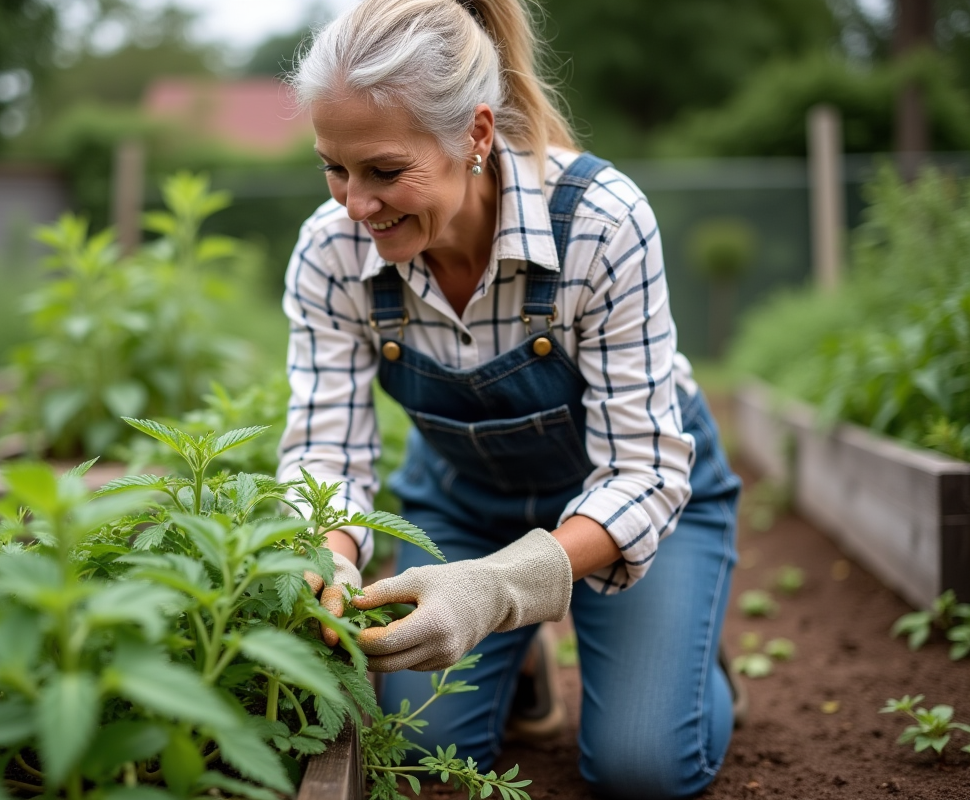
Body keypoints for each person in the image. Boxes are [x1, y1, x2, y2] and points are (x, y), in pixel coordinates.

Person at [276, 1, 743, 797]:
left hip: (632, 503)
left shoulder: (599, 223)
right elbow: (327, 452)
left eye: (385, 171)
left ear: (477, 136)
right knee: (422, 755)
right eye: (334, 167)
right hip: (464, 501)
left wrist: (494, 589)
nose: (355, 204)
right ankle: (525, 663)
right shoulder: (330, 251)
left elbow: (646, 470)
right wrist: (333, 561)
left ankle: (682, 651)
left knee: (642, 768)